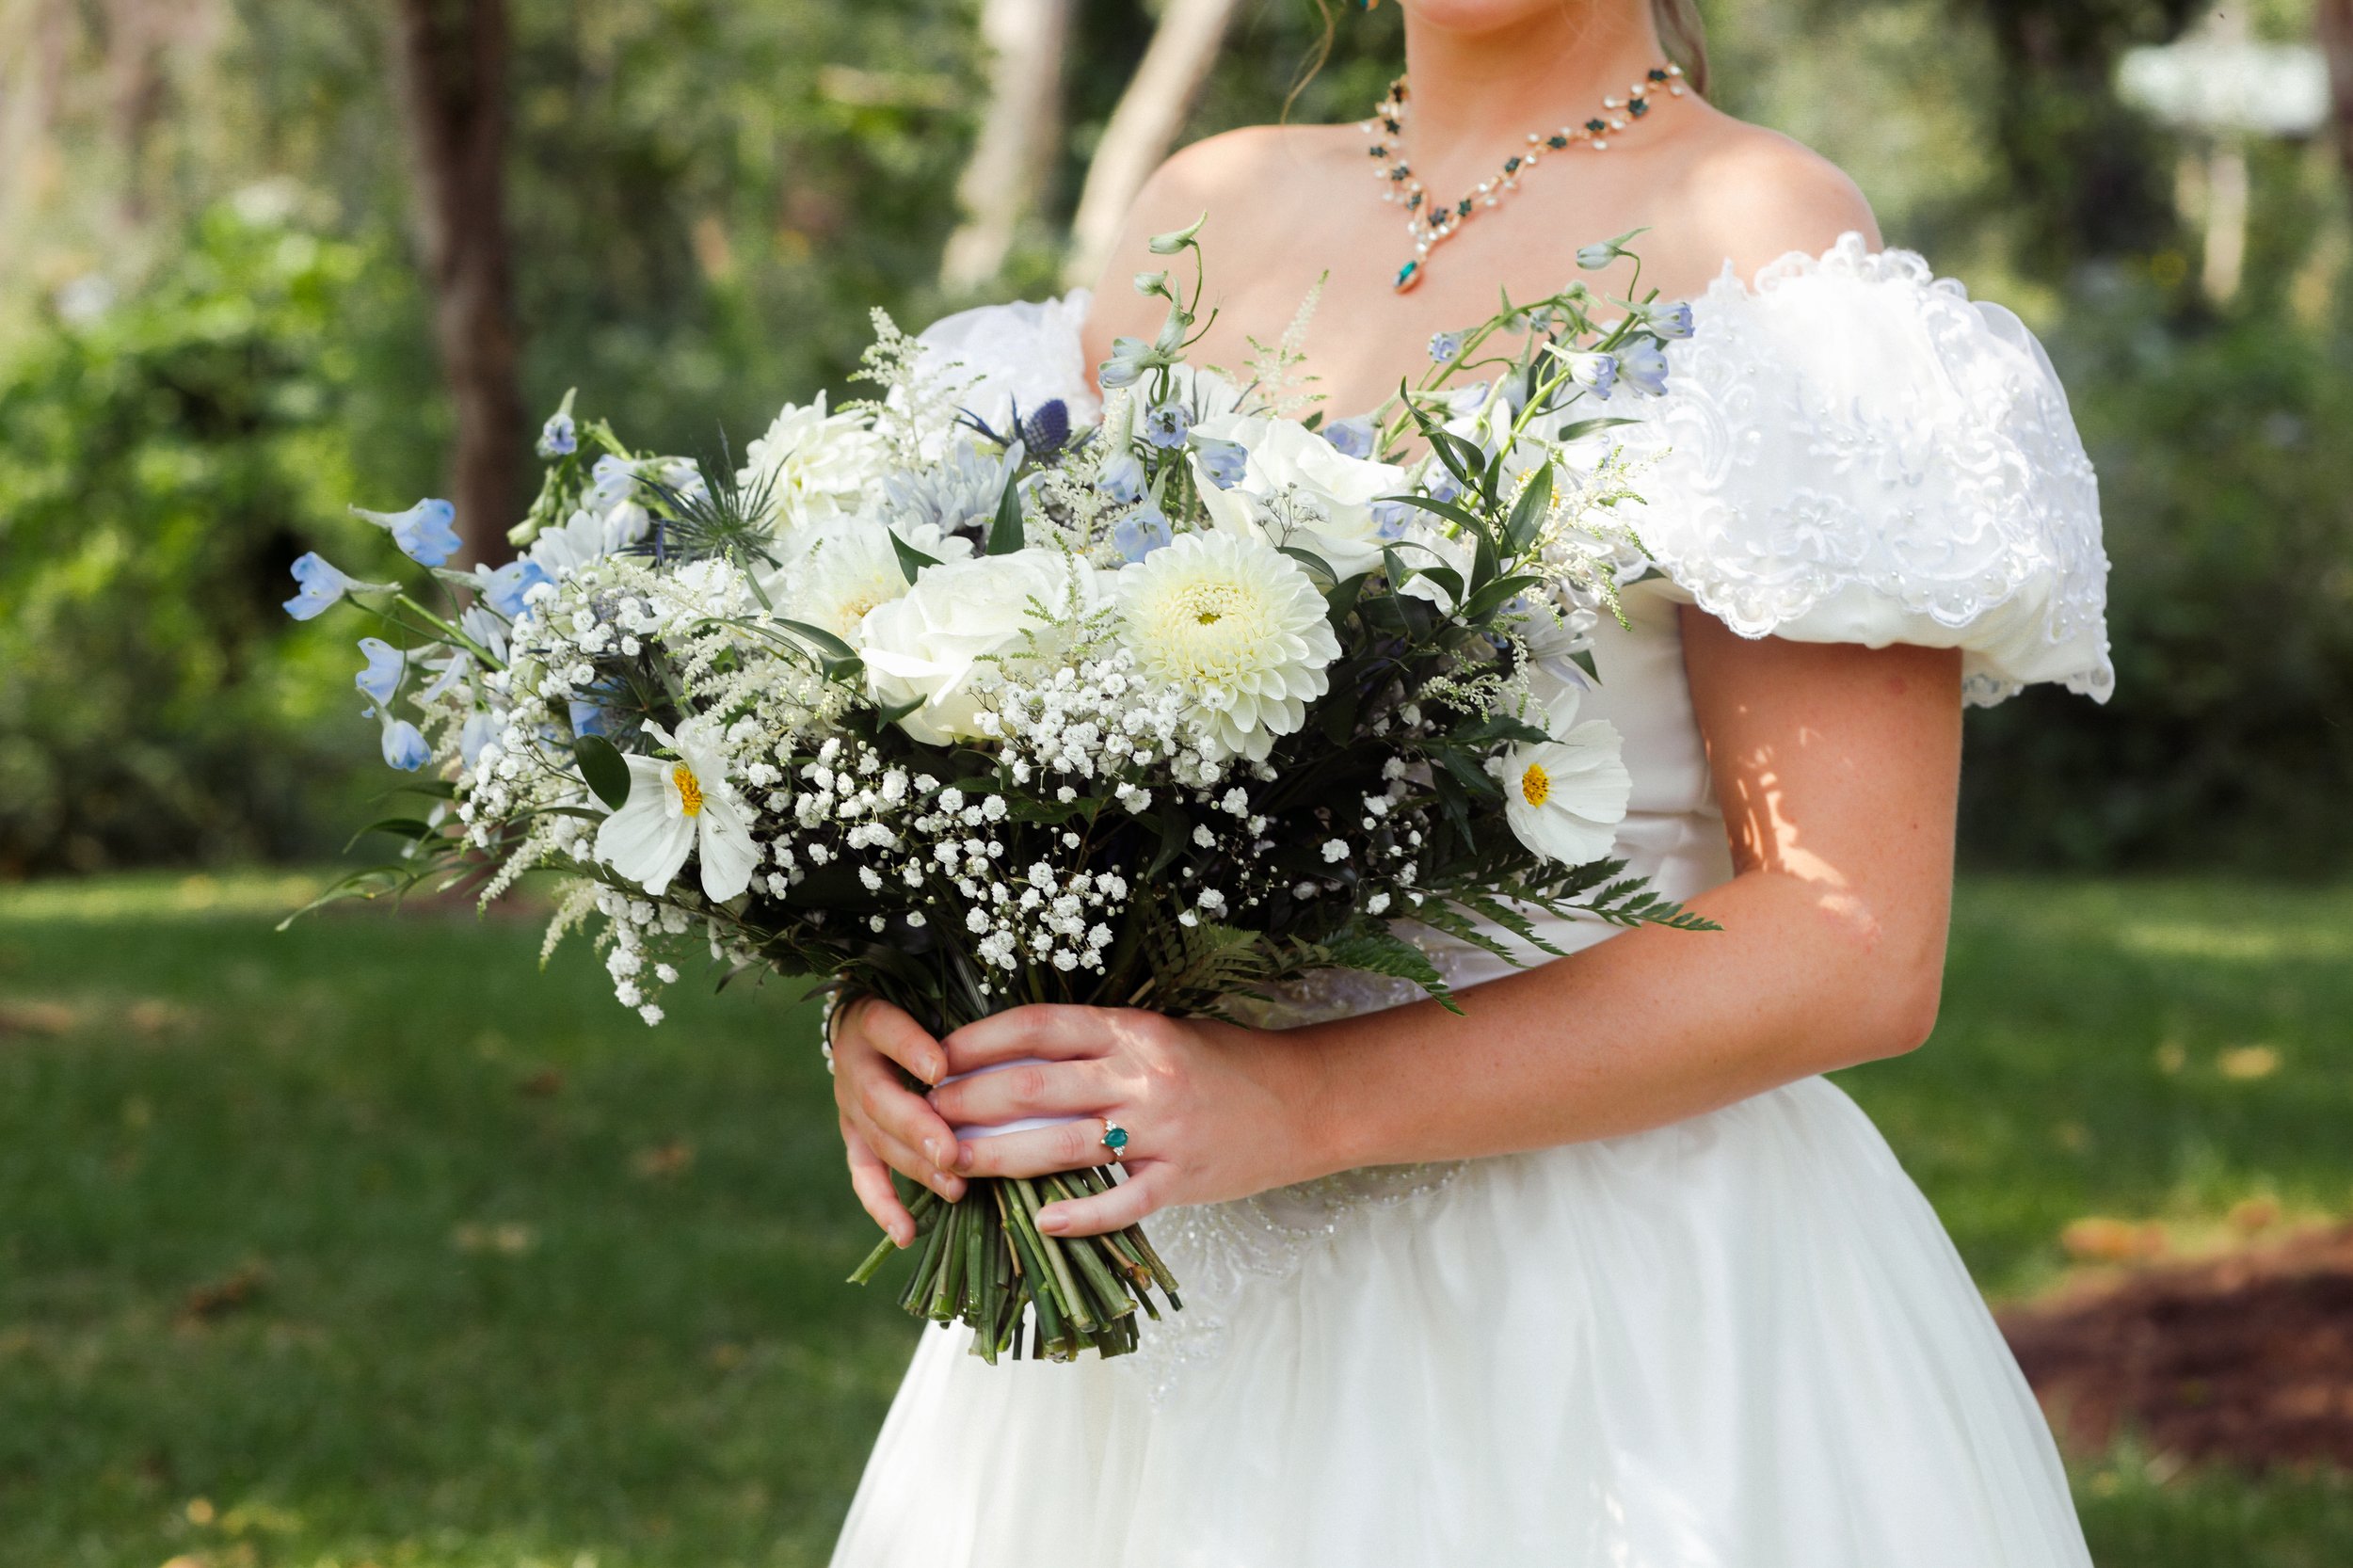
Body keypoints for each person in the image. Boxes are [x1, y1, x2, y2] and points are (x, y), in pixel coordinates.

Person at [827, 0, 2111, 1560]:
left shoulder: (1761, 235)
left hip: (1603, 1306)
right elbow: (1043, 747)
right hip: (1155, 1300)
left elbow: (1856, 947)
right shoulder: (1203, 208)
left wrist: (1292, 1103)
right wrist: (920, 1006)